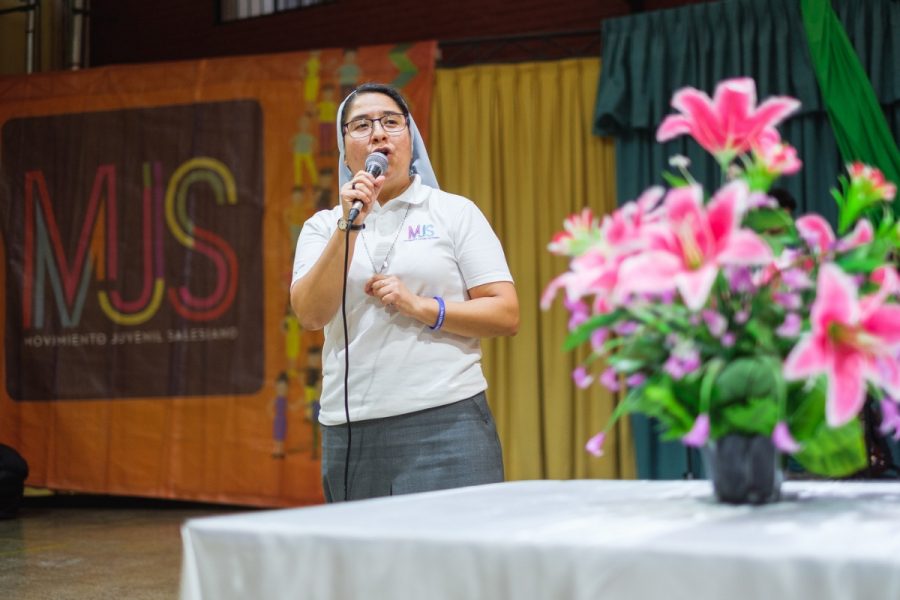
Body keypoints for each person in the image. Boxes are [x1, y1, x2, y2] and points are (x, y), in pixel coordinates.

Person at [290, 82, 519, 502]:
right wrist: (349, 225)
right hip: (353, 428)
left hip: (448, 421)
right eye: (361, 125)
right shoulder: (323, 227)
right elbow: (309, 315)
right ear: (344, 147)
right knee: (367, 567)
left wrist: (421, 306)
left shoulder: (454, 213)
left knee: (457, 563)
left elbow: (505, 313)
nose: (378, 133)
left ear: (410, 138)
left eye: (391, 122)